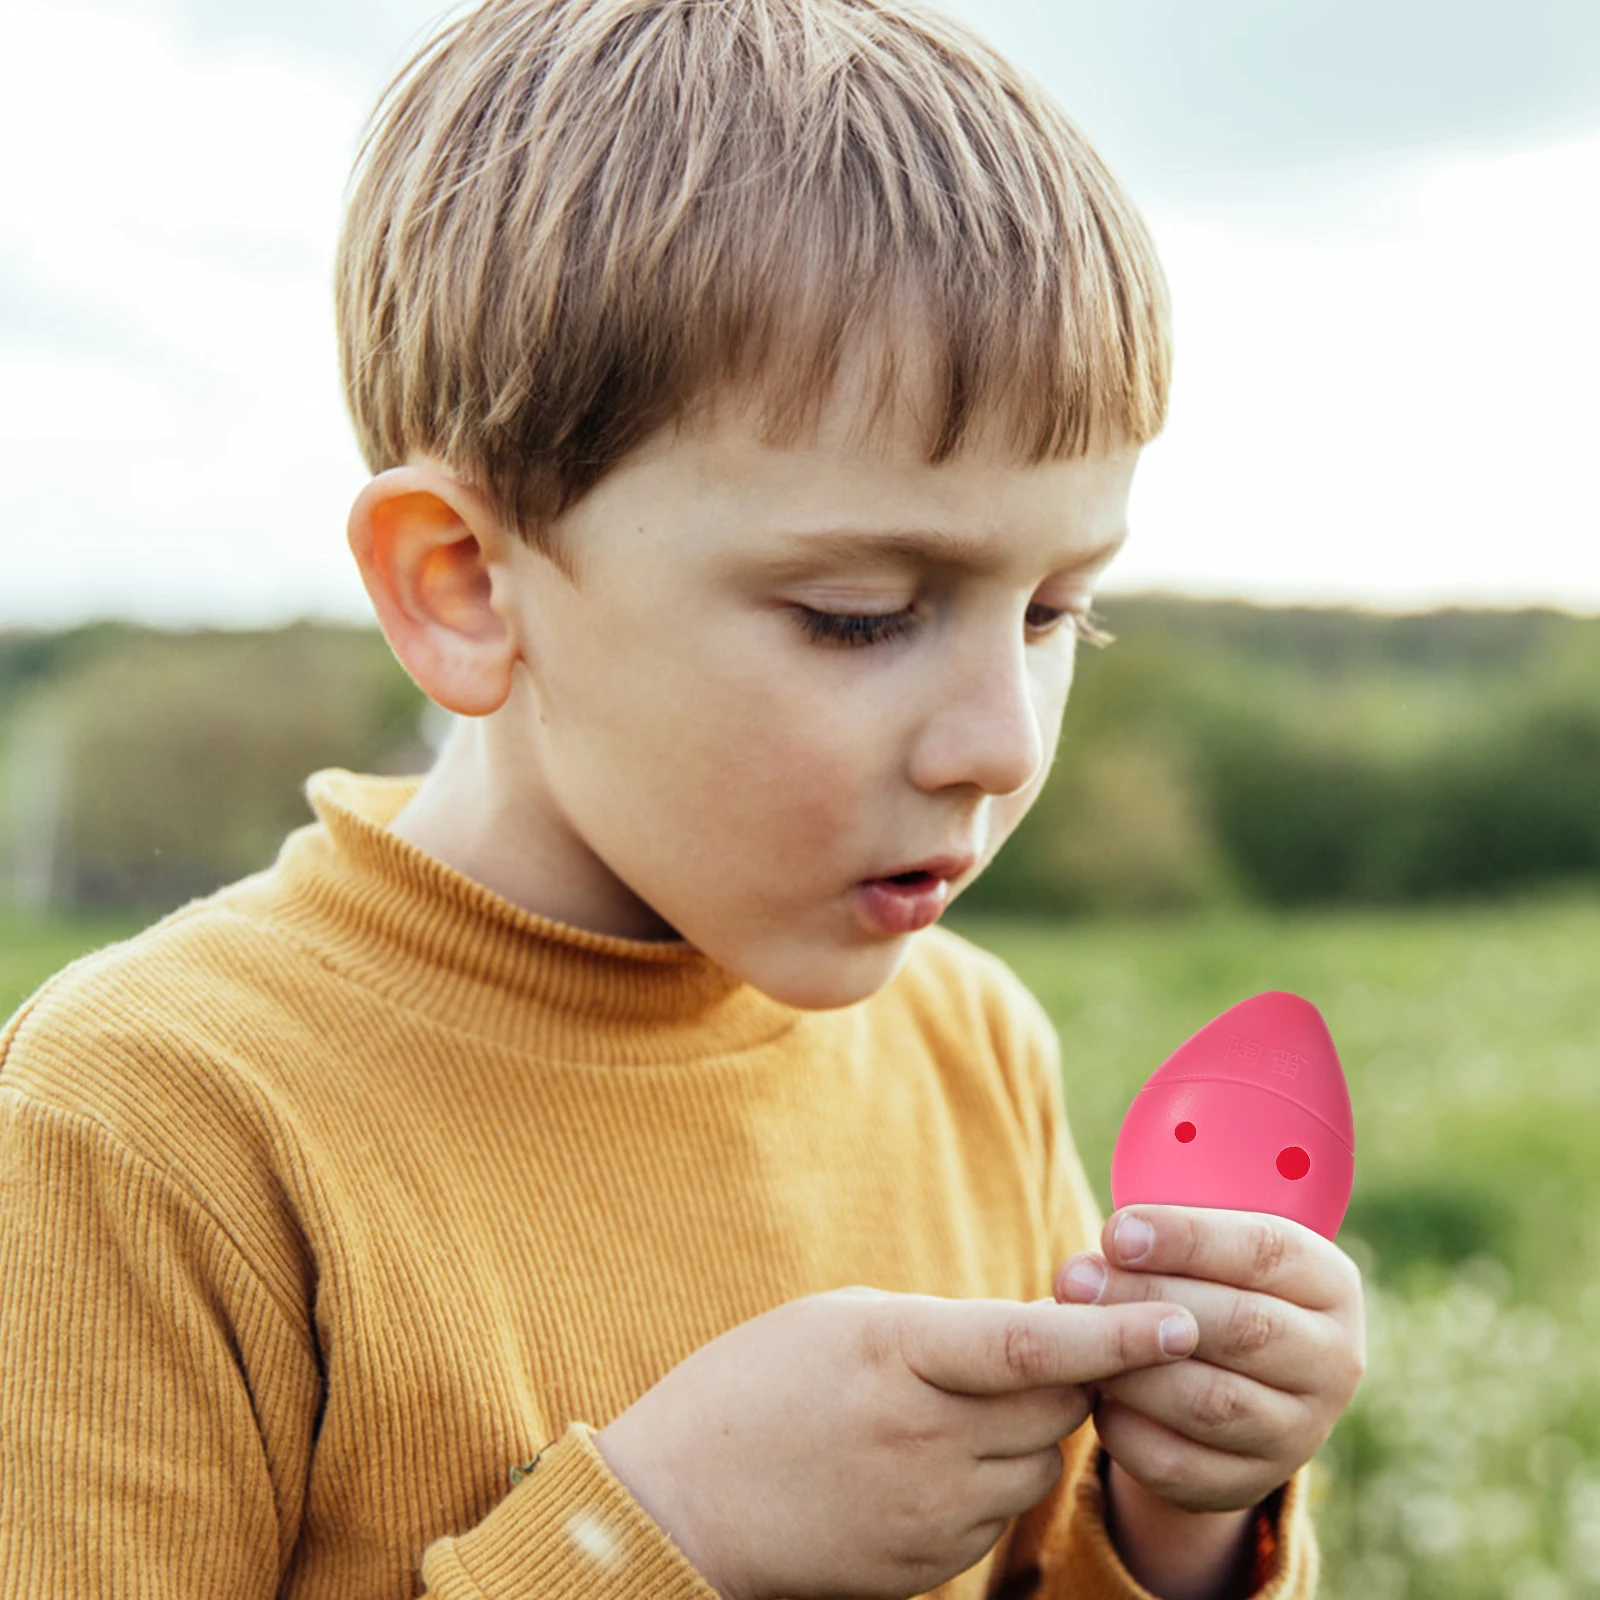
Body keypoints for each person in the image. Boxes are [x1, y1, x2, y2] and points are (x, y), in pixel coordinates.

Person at [0, 0, 1365, 1595]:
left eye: (1058, 611)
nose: (1003, 741)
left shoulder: (972, 1047)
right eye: (859, 614)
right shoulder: (147, 1122)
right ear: (465, 586)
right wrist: (655, 1538)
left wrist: (1178, 1513)